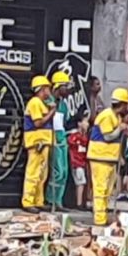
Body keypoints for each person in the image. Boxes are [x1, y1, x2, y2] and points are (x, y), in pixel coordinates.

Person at [89, 88, 128, 226]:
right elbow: (108, 136)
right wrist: (121, 128)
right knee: (100, 189)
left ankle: (104, 215)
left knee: (108, 190)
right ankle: (99, 219)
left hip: (110, 158)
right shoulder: (107, 115)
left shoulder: (116, 116)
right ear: (122, 104)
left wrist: (120, 157)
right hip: (100, 157)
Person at [22, 75, 56, 213]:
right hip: (37, 142)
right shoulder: (35, 102)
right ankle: (28, 201)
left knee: (42, 174)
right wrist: (52, 112)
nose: (49, 91)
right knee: (33, 173)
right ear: (42, 89)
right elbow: (38, 123)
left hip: (44, 142)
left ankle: (38, 200)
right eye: (47, 88)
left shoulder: (42, 103)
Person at [45, 71, 72, 209]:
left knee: (64, 172)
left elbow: (64, 121)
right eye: (65, 86)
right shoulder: (48, 102)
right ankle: (51, 199)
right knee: (57, 171)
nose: (67, 89)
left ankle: (58, 200)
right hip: (52, 137)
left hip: (62, 138)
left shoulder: (63, 105)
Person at [68, 118, 90, 209]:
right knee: (81, 182)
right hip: (76, 162)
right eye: (85, 122)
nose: (87, 124)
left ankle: (82, 202)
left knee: (83, 182)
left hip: (83, 162)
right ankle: (79, 203)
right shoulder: (74, 136)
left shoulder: (86, 137)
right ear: (79, 123)